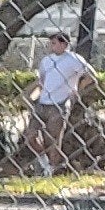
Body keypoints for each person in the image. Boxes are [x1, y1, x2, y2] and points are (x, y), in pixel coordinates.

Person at [24, 34, 95, 165]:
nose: (51, 46)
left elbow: (90, 76)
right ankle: (43, 162)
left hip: (60, 104)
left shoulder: (74, 59)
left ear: (64, 44)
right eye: (51, 43)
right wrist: (31, 96)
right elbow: (42, 81)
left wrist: (77, 90)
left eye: (54, 43)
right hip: (42, 103)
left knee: (53, 140)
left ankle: (52, 169)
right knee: (30, 137)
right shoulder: (46, 60)